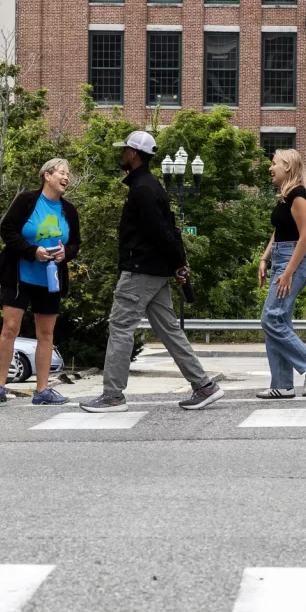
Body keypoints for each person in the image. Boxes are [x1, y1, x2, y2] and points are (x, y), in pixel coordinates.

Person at [80, 131, 223, 413]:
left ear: (134, 154)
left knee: (120, 327)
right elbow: (171, 230)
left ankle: (113, 395)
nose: (121, 154)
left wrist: (178, 263)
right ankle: (203, 386)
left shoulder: (142, 190)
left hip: (140, 271)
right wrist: (178, 264)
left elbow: (161, 233)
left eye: (124, 150)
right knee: (169, 330)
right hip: (155, 271)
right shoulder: (153, 185)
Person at [0, 158, 81, 406]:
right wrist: (32, 251)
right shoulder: (27, 201)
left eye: (68, 174)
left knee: (46, 333)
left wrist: (65, 253)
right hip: (20, 275)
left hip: (50, 279)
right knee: (10, 329)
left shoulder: (69, 210)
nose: (66, 178)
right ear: (47, 175)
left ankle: (42, 391)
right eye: (62, 173)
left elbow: (76, 244)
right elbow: (8, 230)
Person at [256, 148, 306, 400]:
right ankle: (282, 384)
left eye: (274, 163)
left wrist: (288, 272)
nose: (270, 168)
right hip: (281, 258)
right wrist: (265, 258)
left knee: (271, 318)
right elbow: (279, 231)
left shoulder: (299, 195)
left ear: (288, 166)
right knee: (279, 321)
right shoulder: (285, 197)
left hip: (294, 261)